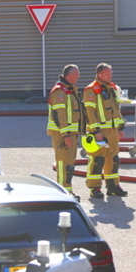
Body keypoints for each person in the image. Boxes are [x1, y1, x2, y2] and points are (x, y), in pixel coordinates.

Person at [83, 63, 127, 199]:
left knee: (113, 159)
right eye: (108, 74)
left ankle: (113, 186)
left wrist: (120, 127)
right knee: (98, 159)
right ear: (100, 74)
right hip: (100, 131)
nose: (110, 76)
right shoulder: (91, 90)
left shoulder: (112, 88)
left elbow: (116, 109)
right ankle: (94, 188)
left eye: (111, 73)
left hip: (112, 131)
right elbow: (89, 113)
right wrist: (96, 131)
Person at [47, 64, 82, 198]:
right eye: (77, 74)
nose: (79, 77)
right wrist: (66, 134)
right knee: (62, 163)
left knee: (70, 163)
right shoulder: (59, 92)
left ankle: (68, 191)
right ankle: (62, 192)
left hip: (70, 134)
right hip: (62, 135)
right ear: (70, 75)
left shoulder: (69, 90)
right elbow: (59, 115)